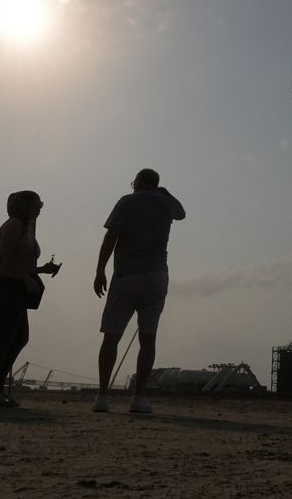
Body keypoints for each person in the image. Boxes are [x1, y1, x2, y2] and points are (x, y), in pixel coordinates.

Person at [92, 168, 185, 414]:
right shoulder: (166, 204)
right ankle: (139, 397)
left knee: (111, 337)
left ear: (140, 182)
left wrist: (100, 270)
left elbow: (111, 237)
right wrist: (164, 192)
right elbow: (182, 214)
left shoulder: (126, 202)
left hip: (126, 276)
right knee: (148, 338)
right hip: (156, 275)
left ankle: (102, 395)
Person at [0, 190, 59, 407]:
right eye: (36, 204)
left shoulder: (27, 228)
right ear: (24, 206)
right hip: (7, 286)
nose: (39, 207)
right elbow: (5, 254)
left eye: (41, 204)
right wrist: (26, 278)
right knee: (4, 339)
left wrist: (40, 270)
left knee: (19, 338)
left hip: (17, 286)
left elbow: (21, 260)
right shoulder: (13, 224)